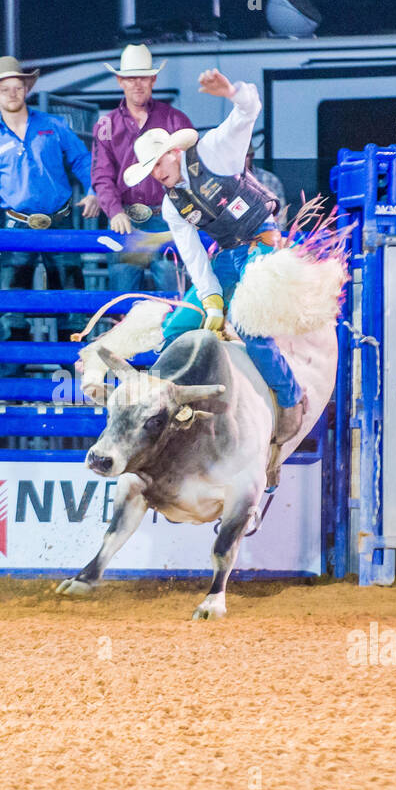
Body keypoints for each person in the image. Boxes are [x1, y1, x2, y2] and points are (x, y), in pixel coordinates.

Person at [123, 68, 303, 486]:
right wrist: (210, 299)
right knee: (178, 325)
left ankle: (291, 401)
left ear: (172, 153)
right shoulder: (172, 205)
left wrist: (231, 92)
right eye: (148, 169)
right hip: (227, 256)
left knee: (250, 329)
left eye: (156, 164)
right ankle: (171, 405)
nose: (155, 174)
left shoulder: (215, 153)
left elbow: (249, 109)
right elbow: (193, 257)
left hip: (263, 245)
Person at [0, 56, 99, 360]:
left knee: (72, 306)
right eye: (5, 89)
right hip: (16, 227)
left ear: (26, 89)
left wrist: (96, 190)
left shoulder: (54, 126)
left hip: (60, 221)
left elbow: (82, 159)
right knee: (13, 310)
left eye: (18, 87)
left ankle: (78, 385)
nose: (12, 94)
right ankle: (14, 391)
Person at [90, 44, 190, 293]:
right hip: (125, 219)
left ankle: (175, 332)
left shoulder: (175, 120)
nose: (137, 84)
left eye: (143, 77)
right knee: (123, 299)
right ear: (120, 81)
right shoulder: (106, 125)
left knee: (174, 296)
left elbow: (191, 169)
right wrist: (114, 212)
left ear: (153, 79)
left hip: (166, 216)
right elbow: (102, 175)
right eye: (130, 78)